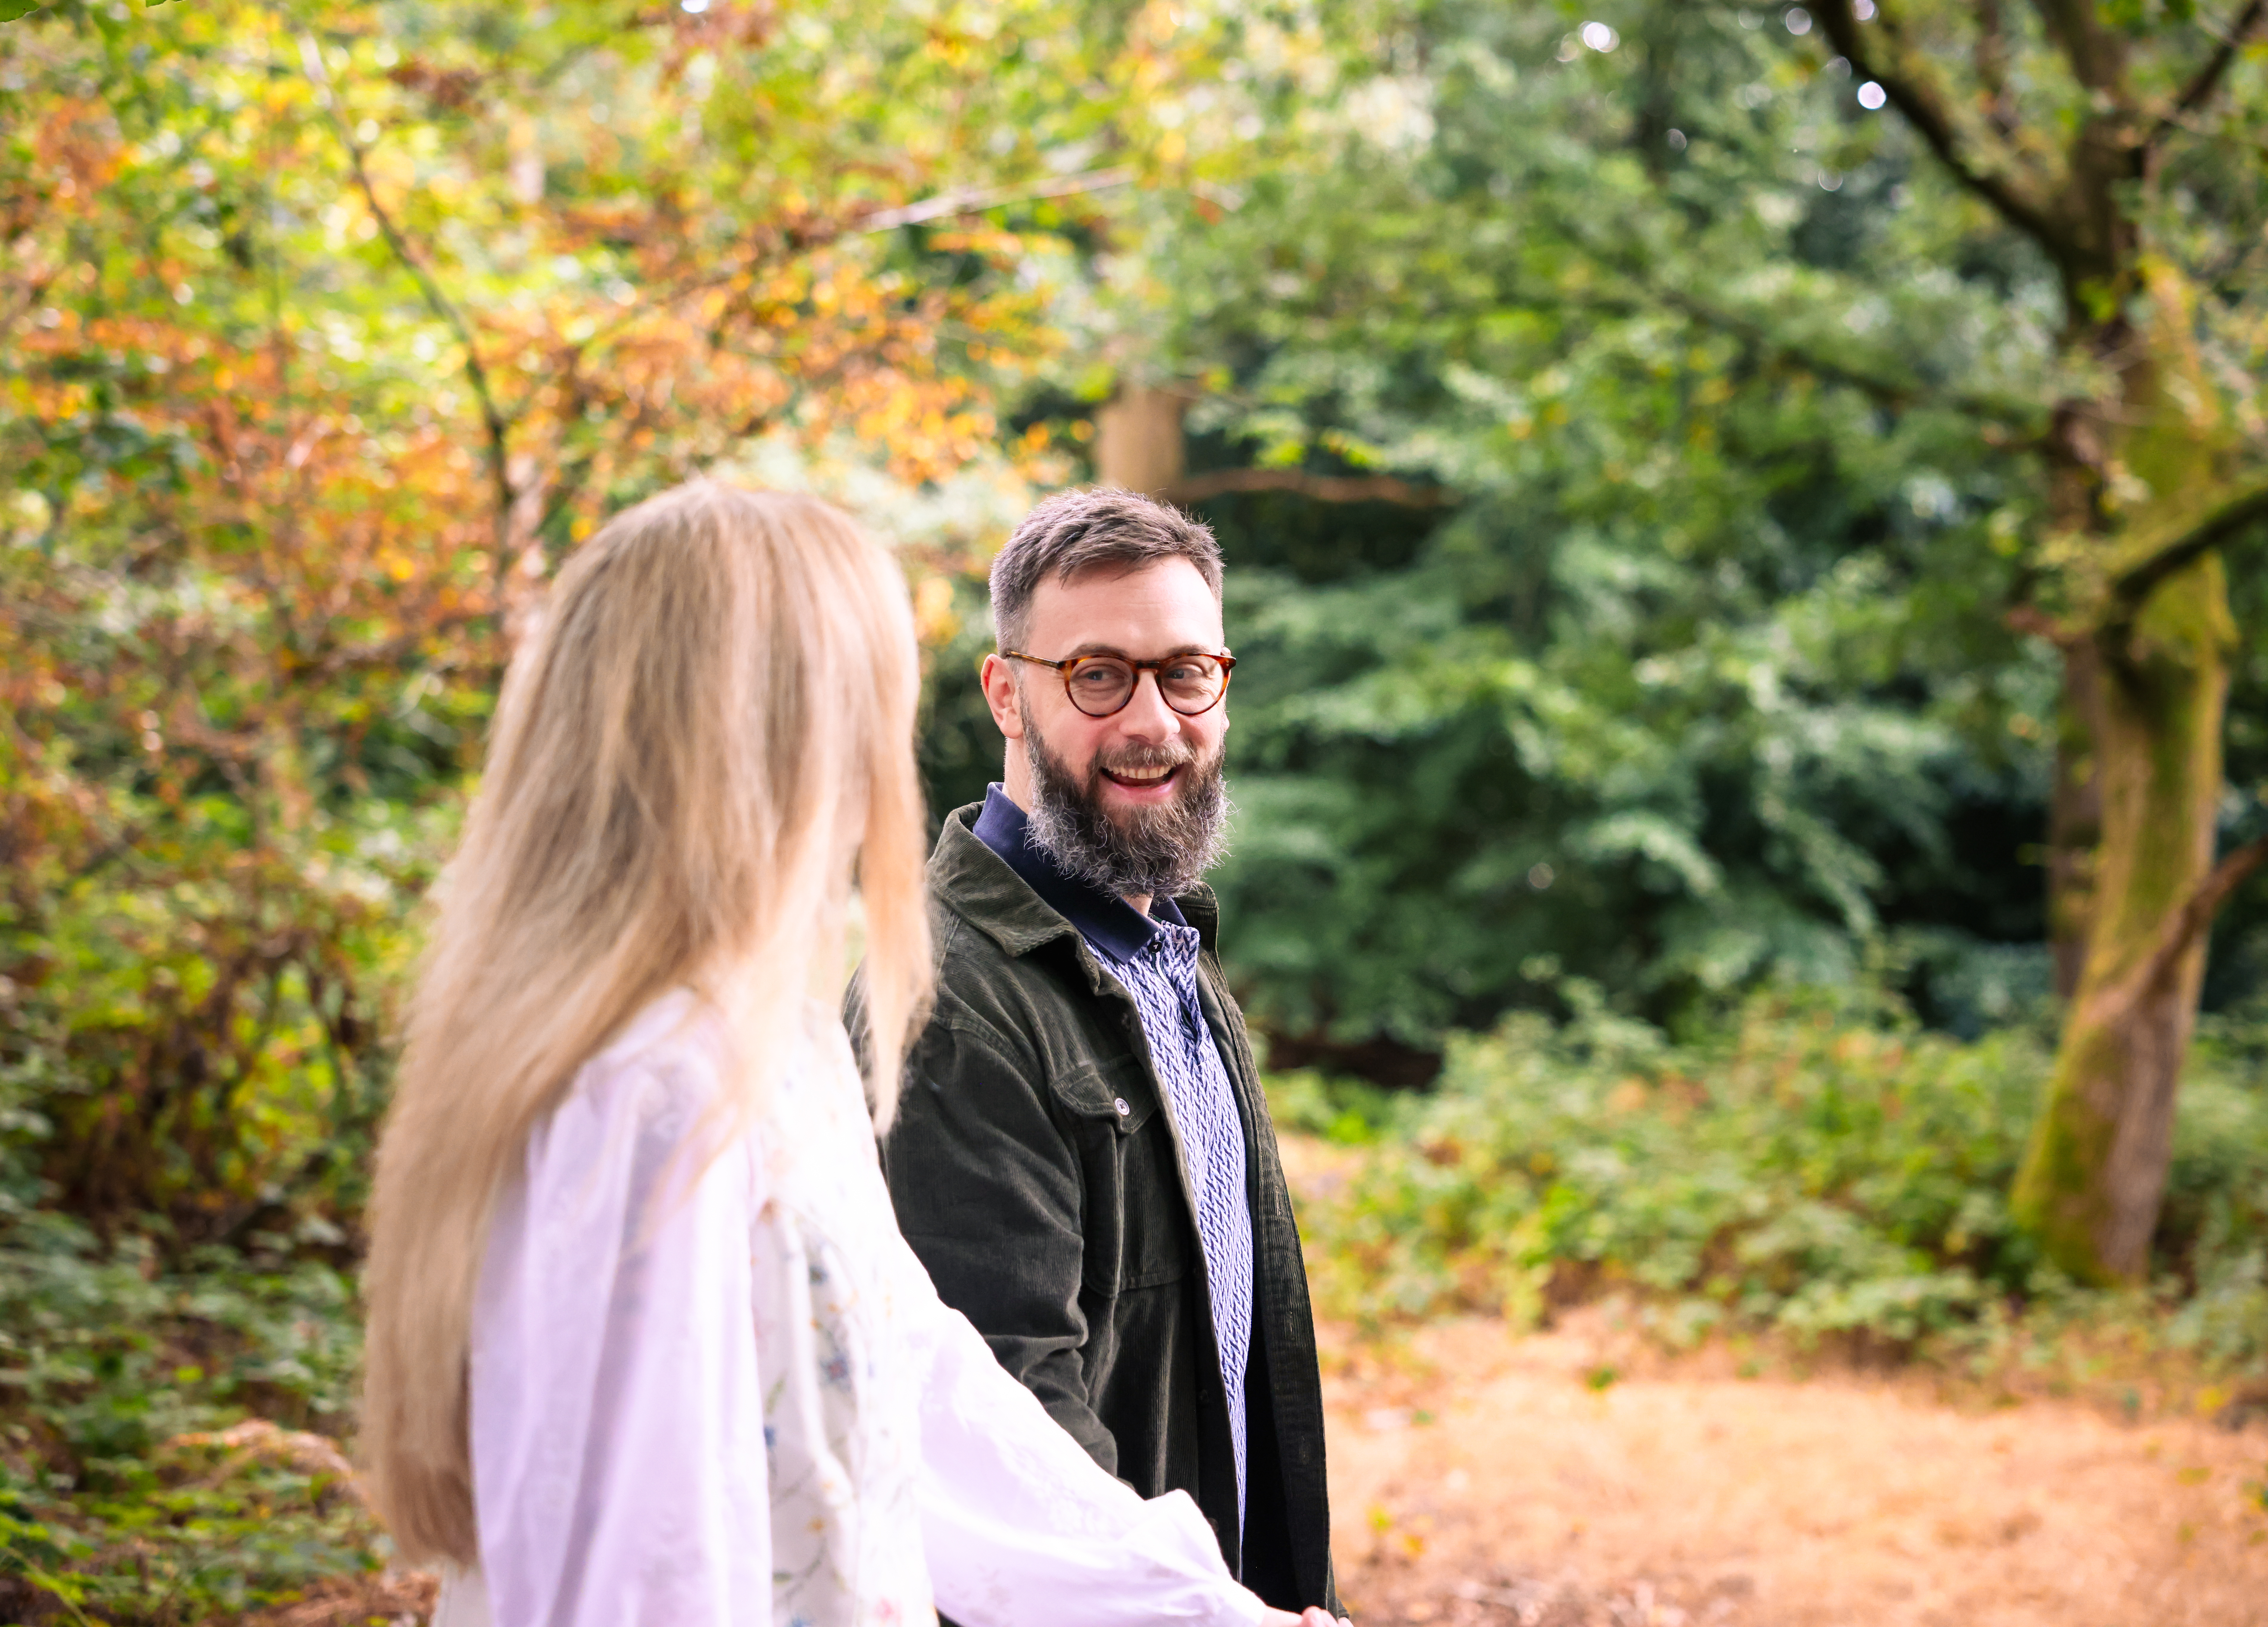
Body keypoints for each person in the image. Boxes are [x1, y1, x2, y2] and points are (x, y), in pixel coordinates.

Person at [357, 481, 1347, 1627]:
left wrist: (1217, 1615)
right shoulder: (645, 1095)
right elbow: (641, 1576)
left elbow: (937, 1411)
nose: (878, 765)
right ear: (742, 737)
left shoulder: (766, 1051)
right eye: (857, 708)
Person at [869, 489, 1340, 1616]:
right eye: (1096, 675)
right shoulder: (950, 1010)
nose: (1151, 721)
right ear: (1007, 694)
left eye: (1185, 673)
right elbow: (1015, 1444)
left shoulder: (1165, 951)